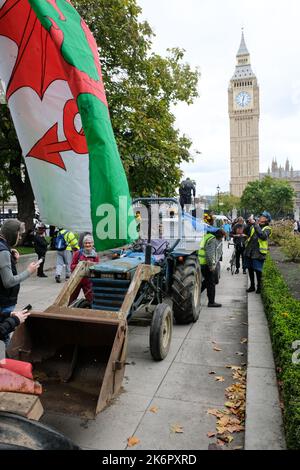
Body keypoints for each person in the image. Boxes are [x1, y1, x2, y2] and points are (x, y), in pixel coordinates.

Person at [0, 220, 38, 348]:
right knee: (4, 336)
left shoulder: (4, 248)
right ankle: (6, 360)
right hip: (4, 302)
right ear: (12, 234)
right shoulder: (3, 251)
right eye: (19, 234)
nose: (20, 237)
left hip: (4, 300)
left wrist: (13, 261)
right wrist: (29, 271)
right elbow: (8, 281)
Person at [244, 211, 272, 294]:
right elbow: (245, 232)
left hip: (258, 252)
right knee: (250, 269)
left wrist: (255, 224)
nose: (260, 217)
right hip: (250, 251)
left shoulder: (267, 228)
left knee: (258, 271)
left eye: (262, 216)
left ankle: (259, 287)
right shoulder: (255, 226)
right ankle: (252, 286)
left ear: (266, 219)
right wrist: (249, 223)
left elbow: (262, 236)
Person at [68, 235, 99, 305]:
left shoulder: (95, 255)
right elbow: (72, 266)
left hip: (88, 281)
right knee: (71, 299)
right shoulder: (78, 253)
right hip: (77, 280)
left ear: (92, 243)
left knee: (91, 299)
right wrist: (81, 265)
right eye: (86, 243)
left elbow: (97, 268)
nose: (87, 245)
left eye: (89, 243)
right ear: (83, 244)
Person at [199, 229, 224, 307]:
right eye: (222, 237)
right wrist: (211, 266)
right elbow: (210, 254)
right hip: (206, 263)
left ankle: (195, 294)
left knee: (206, 282)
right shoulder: (212, 239)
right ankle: (211, 302)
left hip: (200, 262)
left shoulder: (205, 236)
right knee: (211, 283)